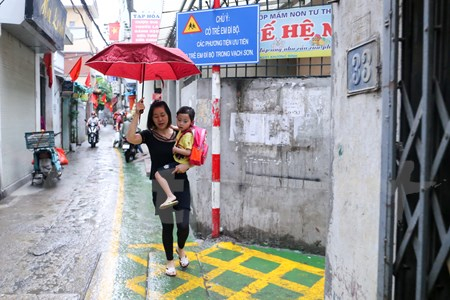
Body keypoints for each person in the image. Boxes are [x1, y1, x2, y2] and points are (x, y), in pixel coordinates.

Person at [126, 99, 191, 277]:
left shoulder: (180, 132)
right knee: (167, 226)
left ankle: (181, 248)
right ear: (151, 118)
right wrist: (136, 114)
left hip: (180, 182)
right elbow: (130, 138)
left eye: (162, 115)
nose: (160, 119)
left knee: (184, 224)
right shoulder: (149, 135)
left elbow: (195, 151)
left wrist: (188, 166)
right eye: (156, 116)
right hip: (160, 185)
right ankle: (170, 261)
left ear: (168, 115)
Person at [156, 106, 195, 210]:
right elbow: (179, 128)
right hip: (178, 163)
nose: (181, 123)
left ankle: (170, 196)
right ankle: (170, 195)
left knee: (158, 174)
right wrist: (173, 127)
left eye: (185, 121)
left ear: (191, 122)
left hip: (179, 164)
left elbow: (188, 152)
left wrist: (176, 149)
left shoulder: (187, 136)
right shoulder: (184, 130)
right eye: (179, 120)